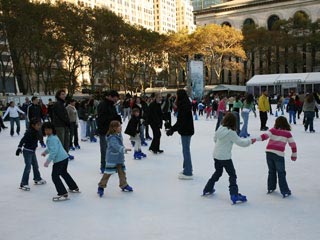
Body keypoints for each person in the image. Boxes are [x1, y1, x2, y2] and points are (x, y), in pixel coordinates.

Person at [202, 113, 255, 204]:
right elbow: (240, 142)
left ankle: (208, 188)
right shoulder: (231, 132)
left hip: (216, 155)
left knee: (218, 172)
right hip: (225, 157)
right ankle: (234, 194)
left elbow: (215, 139)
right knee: (232, 175)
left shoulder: (220, 128)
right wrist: (250, 141)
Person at [253, 116, 297, 198]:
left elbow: (264, 136)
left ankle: (271, 187)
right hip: (278, 155)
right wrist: (294, 154)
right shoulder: (287, 133)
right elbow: (293, 144)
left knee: (271, 171)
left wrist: (255, 139)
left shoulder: (273, 130)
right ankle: (285, 191)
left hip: (269, 153)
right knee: (281, 173)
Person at [41, 122, 80, 201]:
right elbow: (52, 148)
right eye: (45, 130)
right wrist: (45, 152)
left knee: (55, 176)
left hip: (59, 160)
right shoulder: (54, 137)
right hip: (64, 157)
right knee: (64, 173)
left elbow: (54, 151)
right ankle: (74, 187)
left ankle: (63, 193)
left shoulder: (51, 139)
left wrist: (48, 161)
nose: (47, 131)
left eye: (49, 129)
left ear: (52, 130)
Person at [97, 120, 133, 197]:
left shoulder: (118, 135)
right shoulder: (112, 138)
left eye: (120, 125)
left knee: (122, 172)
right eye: (119, 126)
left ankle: (124, 185)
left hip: (119, 158)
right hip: (112, 158)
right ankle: (101, 186)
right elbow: (115, 146)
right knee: (108, 173)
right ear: (114, 128)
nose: (120, 127)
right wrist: (123, 149)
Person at [166, 89, 194, 180]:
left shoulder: (183, 106)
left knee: (186, 150)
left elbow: (181, 122)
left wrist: (172, 130)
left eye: (177, 95)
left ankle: (188, 171)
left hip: (186, 131)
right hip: (187, 130)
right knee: (186, 150)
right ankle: (187, 168)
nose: (176, 97)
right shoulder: (185, 104)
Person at [16, 118, 46, 191]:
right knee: (28, 167)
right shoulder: (29, 132)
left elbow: (41, 137)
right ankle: (23, 183)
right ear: (33, 125)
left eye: (40, 125)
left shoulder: (37, 131)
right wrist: (19, 147)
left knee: (35, 165)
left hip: (32, 151)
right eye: (38, 125)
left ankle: (37, 178)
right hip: (27, 151)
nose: (39, 126)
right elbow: (23, 140)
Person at [97, 90, 122, 173]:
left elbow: (114, 115)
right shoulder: (102, 105)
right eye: (115, 98)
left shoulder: (111, 105)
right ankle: (103, 166)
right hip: (104, 131)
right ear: (110, 97)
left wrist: (118, 119)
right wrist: (113, 119)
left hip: (112, 131)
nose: (116, 100)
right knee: (105, 149)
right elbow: (102, 119)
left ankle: (111, 164)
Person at [52, 90, 73, 160]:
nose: (64, 96)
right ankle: (60, 156)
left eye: (64, 94)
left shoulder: (62, 104)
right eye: (62, 94)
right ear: (58, 96)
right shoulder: (58, 104)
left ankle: (65, 154)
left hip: (64, 125)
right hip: (59, 126)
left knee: (66, 141)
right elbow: (62, 116)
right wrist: (68, 122)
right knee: (61, 142)